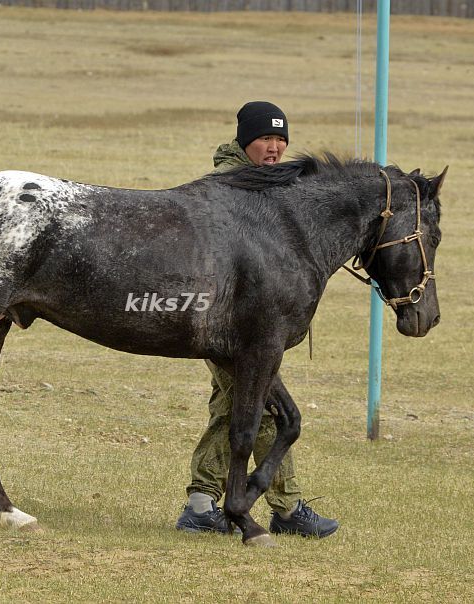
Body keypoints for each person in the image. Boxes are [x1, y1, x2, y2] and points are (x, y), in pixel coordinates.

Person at [175, 101, 339, 539]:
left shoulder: (268, 185)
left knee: (230, 406)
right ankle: (286, 509)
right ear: (246, 141)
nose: (274, 148)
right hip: (228, 320)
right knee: (265, 411)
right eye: (266, 138)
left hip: (244, 318)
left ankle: (200, 504)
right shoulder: (234, 187)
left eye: (281, 140)